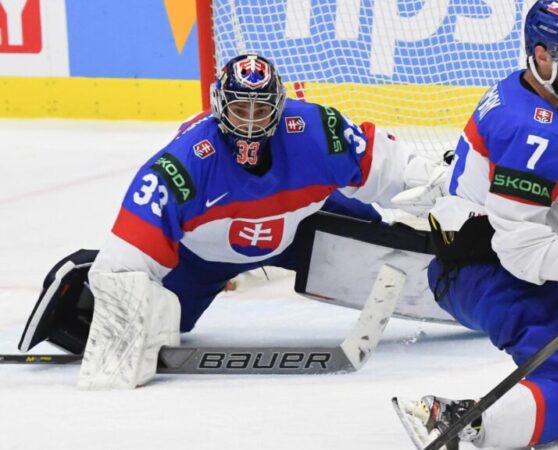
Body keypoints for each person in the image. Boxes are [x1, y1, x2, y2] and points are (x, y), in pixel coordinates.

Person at [19, 54, 426, 389]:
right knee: (167, 325)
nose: (250, 121)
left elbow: (387, 167)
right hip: (202, 259)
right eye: (240, 108)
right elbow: (135, 241)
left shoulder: (316, 129)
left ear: (279, 107)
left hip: (301, 224)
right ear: (219, 106)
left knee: (383, 242)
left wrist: (437, 189)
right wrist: (115, 296)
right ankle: (85, 280)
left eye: (261, 109)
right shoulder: (182, 164)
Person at [394, 1, 558, 448]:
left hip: (496, 261)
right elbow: (516, 242)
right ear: (542, 55)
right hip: (488, 273)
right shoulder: (533, 132)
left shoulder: (549, 93)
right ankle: (467, 422)